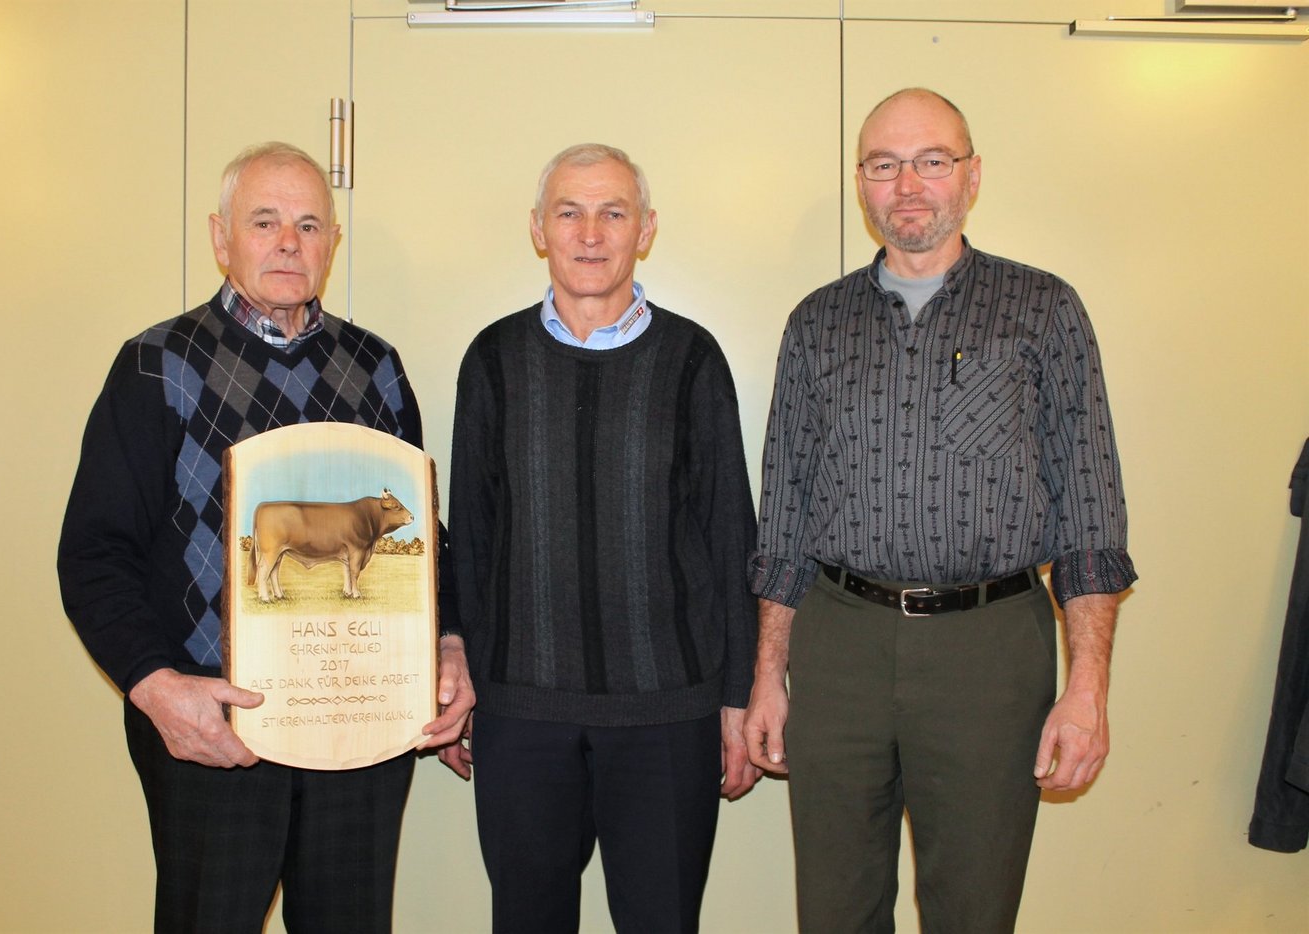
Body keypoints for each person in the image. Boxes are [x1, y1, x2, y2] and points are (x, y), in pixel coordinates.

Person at [745, 88, 1137, 932]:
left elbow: (1092, 519)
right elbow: (783, 518)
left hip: (989, 651)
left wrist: (1088, 690)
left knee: (973, 909)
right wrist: (767, 676)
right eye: (885, 166)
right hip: (839, 642)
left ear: (972, 175)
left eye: (932, 161)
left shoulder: (1044, 311)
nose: (909, 185)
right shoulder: (817, 324)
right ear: (862, 183)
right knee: (836, 910)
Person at [57, 141, 473, 933]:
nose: (290, 241)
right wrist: (156, 688)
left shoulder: (376, 367)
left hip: (361, 728)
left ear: (332, 243)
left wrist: (449, 641)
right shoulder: (154, 366)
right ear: (221, 238)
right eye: (266, 220)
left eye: (310, 224)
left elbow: (425, 538)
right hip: (216, 733)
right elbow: (93, 554)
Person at [443, 143, 760, 933]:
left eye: (613, 212)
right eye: (570, 212)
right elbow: (472, 537)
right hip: (523, 715)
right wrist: (462, 678)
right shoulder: (493, 360)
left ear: (645, 229)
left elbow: (729, 534)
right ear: (538, 229)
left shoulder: (693, 359)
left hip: (668, 716)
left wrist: (737, 700)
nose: (591, 233)